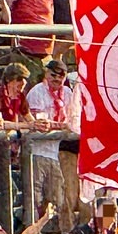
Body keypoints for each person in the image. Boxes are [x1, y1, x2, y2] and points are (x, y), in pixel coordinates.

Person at [25, 59, 73, 223]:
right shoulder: (36, 92)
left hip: (56, 152)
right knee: (35, 198)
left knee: (57, 198)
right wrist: (61, 126)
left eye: (61, 76)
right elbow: (39, 124)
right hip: (36, 151)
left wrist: (62, 126)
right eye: (53, 75)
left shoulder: (67, 93)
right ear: (46, 73)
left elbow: (73, 119)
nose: (57, 79)